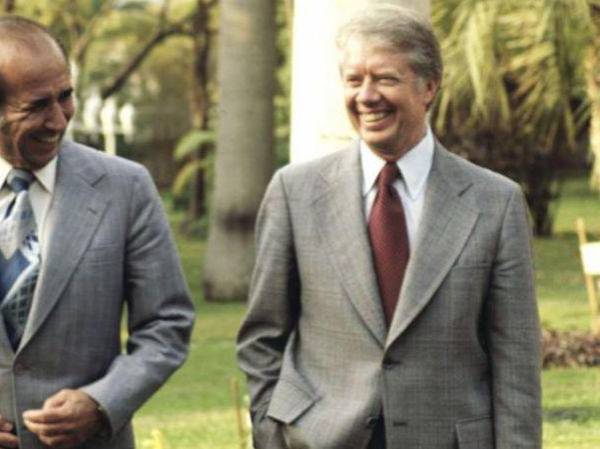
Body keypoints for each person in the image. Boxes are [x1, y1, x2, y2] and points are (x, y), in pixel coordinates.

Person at [237, 5, 541, 449]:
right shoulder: (294, 193)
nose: (366, 95)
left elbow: (516, 360)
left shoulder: (495, 202)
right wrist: (272, 433)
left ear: (429, 87)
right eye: (353, 80)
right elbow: (262, 337)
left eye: (385, 78)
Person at [0, 16, 194, 449]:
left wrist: (102, 403)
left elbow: (167, 324)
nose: (59, 120)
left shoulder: (125, 186)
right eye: (37, 106)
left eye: (65, 96)